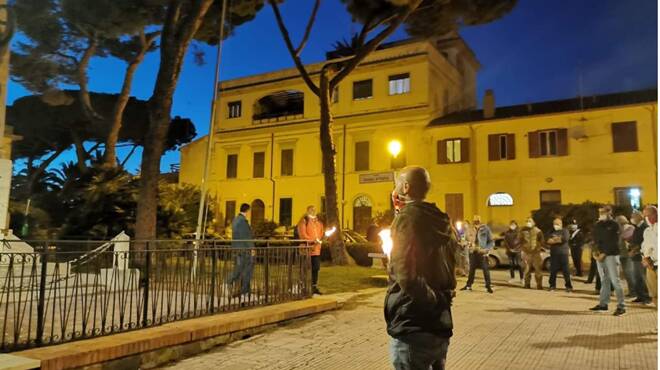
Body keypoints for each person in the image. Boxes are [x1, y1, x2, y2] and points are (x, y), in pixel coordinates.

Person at [385, 166, 457, 370]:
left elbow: (406, 275)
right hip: (440, 325)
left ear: (405, 187)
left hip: (413, 325)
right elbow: (452, 264)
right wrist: (442, 298)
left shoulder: (407, 219)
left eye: (398, 183)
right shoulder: (441, 219)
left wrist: (431, 299)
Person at [590, 206, 626, 316]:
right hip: (599, 255)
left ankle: (621, 306)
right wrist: (595, 251)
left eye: (603, 212)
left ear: (609, 212)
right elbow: (595, 240)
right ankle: (603, 304)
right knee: (604, 280)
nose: (601, 214)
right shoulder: (598, 225)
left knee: (615, 280)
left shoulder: (614, 225)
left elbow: (614, 242)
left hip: (611, 255)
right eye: (599, 212)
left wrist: (604, 254)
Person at [461, 215, 494, 293]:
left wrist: (486, 249)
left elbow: (491, 241)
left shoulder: (486, 229)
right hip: (472, 252)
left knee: (485, 270)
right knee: (471, 270)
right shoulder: (469, 229)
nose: (476, 221)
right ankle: (468, 285)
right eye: (474, 219)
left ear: (480, 220)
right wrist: (467, 243)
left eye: (477, 219)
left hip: (482, 253)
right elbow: (462, 239)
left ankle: (488, 286)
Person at [228, 203, 255, 299]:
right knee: (246, 270)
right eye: (249, 211)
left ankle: (244, 290)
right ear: (247, 211)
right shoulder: (243, 221)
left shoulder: (236, 220)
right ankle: (243, 290)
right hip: (244, 249)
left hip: (237, 248)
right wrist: (252, 248)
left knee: (240, 269)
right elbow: (246, 237)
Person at [297, 205, 324, 295]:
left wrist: (318, 240)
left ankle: (314, 287)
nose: (313, 211)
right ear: (307, 211)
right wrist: (312, 241)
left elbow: (321, 233)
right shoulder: (304, 220)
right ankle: (302, 287)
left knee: (315, 268)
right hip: (306, 249)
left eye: (314, 209)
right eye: (311, 210)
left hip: (316, 250)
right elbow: (302, 234)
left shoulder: (318, 222)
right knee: (304, 269)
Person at [629, 211, 651, 304]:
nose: (631, 218)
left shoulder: (644, 227)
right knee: (636, 277)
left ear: (639, 217)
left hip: (641, 257)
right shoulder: (637, 227)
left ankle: (646, 297)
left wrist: (635, 250)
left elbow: (644, 242)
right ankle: (640, 296)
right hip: (635, 257)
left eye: (633, 216)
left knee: (643, 278)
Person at [546, 218, 573, 292]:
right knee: (553, 271)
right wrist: (557, 239)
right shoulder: (551, 231)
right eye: (554, 224)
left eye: (557, 224)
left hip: (563, 254)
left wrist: (554, 240)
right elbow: (548, 240)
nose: (555, 225)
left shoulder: (565, 231)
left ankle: (568, 286)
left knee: (566, 271)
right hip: (554, 254)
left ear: (561, 224)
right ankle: (552, 286)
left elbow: (564, 240)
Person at [520, 217, 544, 289]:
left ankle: (539, 285)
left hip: (536, 254)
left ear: (534, 223)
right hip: (526, 253)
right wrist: (523, 249)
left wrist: (539, 248)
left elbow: (542, 241)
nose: (528, 222)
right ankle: (527, 285)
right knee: (526, 270)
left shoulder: (538, 231)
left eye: (530, 221)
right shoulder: (522, 231)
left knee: (538, 270)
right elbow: (519, 240)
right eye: (527, 221)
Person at [616, 215, 636, 297]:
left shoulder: (629, 228)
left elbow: (626, 238)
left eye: (617, 222)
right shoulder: (620, 229)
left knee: (629, 273)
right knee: (626, 274)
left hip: (628, 255)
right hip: (622, 254)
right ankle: (632, 291)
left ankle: (634, 292)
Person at [641, 205, 658, 307]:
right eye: (645, 216)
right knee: (653, 293)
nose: (647, 218)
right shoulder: (647, 231)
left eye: (649, 215)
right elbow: (644, 246)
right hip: (650, 265)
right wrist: (645, 258)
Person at [503, 220, 523, 284]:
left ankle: (522, 278)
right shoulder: (507, 233)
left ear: (516, 225)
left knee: (519, 265)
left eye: (513, 225)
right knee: (511, 265)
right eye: (511, 224)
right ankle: (512, 278)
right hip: (510, 251)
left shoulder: (519, 232)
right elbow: (505, 242)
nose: (512, 226)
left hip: (518, 251)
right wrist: (509, 249)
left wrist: (516, 249)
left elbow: (521, 242)